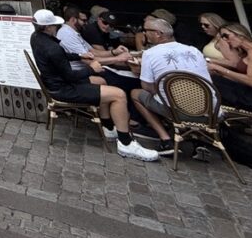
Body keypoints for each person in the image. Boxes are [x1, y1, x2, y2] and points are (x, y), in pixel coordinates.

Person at [29, 8, 158, 161]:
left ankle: (108, 126)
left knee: (101, 81)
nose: (57, 28)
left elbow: (60, 57)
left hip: (56, 83)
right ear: (48, 27)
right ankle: (126, 143)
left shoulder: (36, 37)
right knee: (119, 95)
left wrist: (78, 55)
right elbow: (69, 75)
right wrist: (91, 69)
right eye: (55, 25)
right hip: (63, 89)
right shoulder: (53, 48)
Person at [129, 15, 212, 156]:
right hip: (210, 111)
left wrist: (162, 89)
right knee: (174, 97)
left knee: (136, 94)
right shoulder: (194, 50)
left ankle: (165, 139)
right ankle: (197, 138)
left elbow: (147, 87)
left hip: (176, 110)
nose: (144, 33)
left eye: (146, 30)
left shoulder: (150, 54)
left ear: (158, 34)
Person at [57, 7, 138, 94]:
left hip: (92, 69)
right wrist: (118, 58)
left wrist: (114, 52)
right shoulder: (67, 35)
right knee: (131, 83)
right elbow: (89, 60)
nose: (86, 23)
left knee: (130, 78)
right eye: (83, 21)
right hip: (82, 74)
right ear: (73, 20)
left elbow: (93, 52)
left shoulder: (74, 33)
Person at [207, 23, 252, 115]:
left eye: (226, 35)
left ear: (239, 34)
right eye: (222, 37)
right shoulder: (246, 52)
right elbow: (239, 73)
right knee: (212, 80)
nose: (225, 39)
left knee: (211, 84)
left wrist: (220, 69)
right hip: (250, 93)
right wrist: (219, 72)